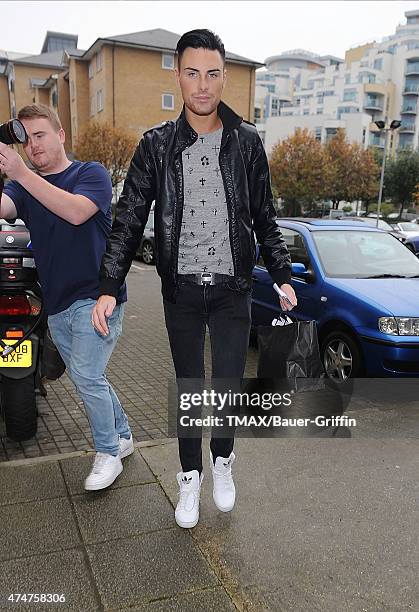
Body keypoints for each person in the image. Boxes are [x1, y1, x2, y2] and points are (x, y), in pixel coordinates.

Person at [93, 29, 297, 527]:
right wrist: (107, 285)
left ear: (225, 77)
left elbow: (265, 216)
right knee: (189, 387)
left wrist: (282, 273)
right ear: (178, 76)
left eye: (212, 74)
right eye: (191, 73)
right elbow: (128, 218)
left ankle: (222, 460)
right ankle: (190, 475)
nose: (202, 85)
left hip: (232, 290)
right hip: (181, 290)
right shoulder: (156, 146)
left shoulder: (247, 142)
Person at [0, 104, 134, 490]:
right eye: (25, 138)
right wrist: (15, 175)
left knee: (87, 375)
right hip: (56, 304)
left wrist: (22, 174)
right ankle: (123, 435)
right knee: (90, 376)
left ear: (60, 136)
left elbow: (76, 212)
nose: (33, 144)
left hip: (98, 297)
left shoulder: (89, 173)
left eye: (40, 134)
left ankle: (108, 452)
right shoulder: (20, 188)